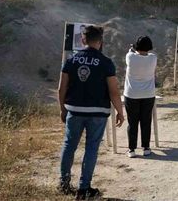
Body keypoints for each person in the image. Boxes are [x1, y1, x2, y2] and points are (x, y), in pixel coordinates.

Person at [58, 25, 124, 200]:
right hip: (98, 112)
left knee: (69, 145)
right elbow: (114, 91)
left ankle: (64, 183)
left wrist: (62, 108)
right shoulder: (106, 62)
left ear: (83, 40)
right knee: (91, 148)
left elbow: (61, 88)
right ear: (100, 41)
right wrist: (120, 111)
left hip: (75, 110)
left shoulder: (71, 60)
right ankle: (84, 189)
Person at [124, 36, 158, 158]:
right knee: (146, 121)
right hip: (148, 94)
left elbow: (131, 53)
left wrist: (132, 48)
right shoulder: (153, 58)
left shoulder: (130, 56)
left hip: (132, 94)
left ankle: (131, 149)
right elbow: (147, 54)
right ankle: (146, 148)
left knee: (132, 122)